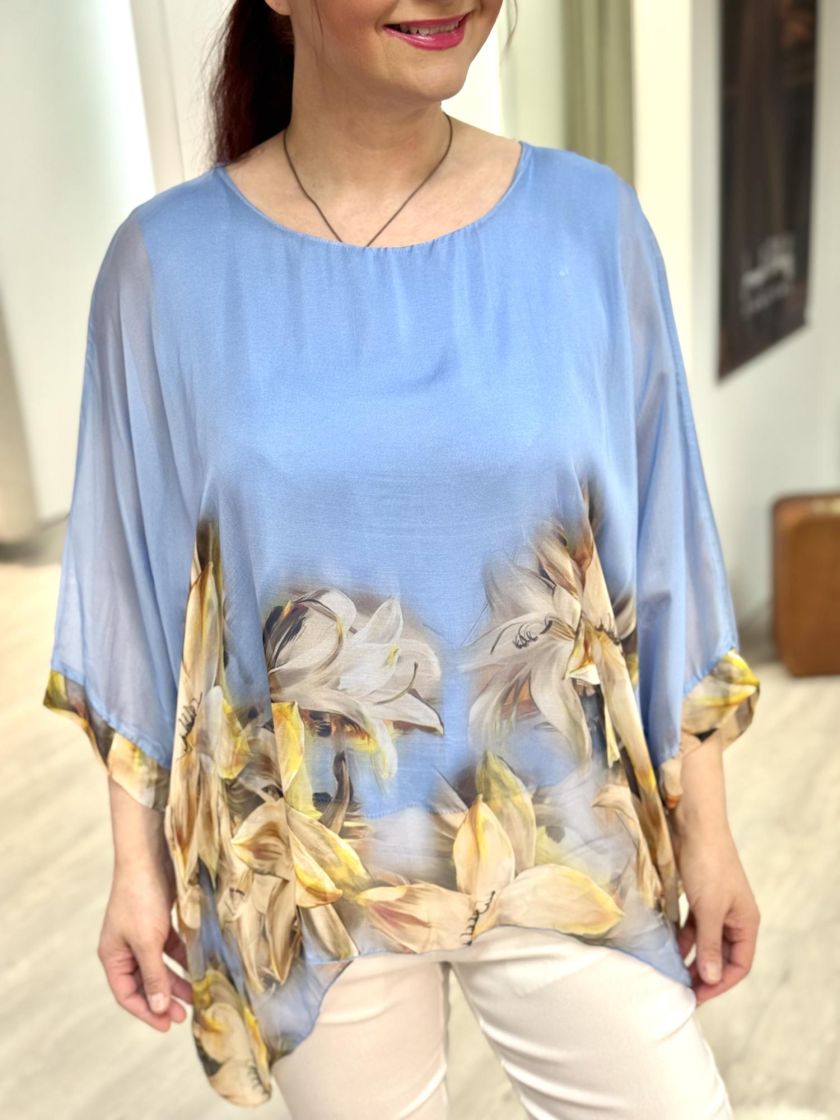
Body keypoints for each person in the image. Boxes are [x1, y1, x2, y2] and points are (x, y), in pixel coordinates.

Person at [42, 1, 762, 1116]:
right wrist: (136, 866)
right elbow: (131, 589)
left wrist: (706, 831)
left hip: (567, 836)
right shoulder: (165, 267)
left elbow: (661, 548)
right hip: (305, 868)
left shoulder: (588, 225)